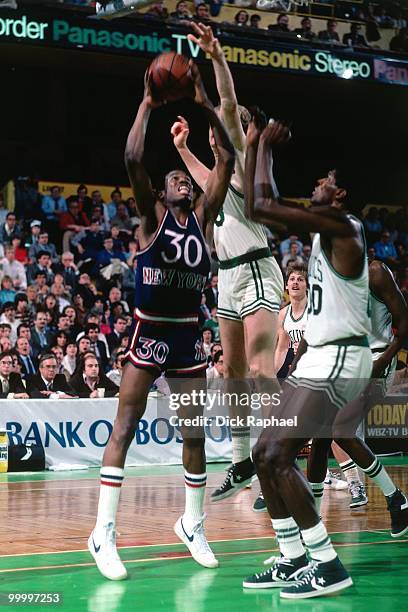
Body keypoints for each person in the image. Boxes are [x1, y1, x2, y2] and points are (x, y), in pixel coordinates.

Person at [88, 60, 235, 580]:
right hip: (150, 331)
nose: (180, 180)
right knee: (125, 426)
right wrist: (149, 105)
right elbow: (131, 156)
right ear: (158, 192)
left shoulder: (203, 221)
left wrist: (200, 97)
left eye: (184, 179)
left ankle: (193, 523)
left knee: (193, 435)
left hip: (188, 338)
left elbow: (228, 156)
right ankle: (102, 532)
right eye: (172, 178)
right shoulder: (150, 220)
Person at [243, 117, 372, 598]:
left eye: (326, 182)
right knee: (263, 453)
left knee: (278, 454)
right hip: (320, 356)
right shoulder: (323, 232)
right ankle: (293, 557)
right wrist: (261, 151)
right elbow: (268, 207)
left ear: (339, 197)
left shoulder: (341, 225)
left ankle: (327, 562)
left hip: (340, 356)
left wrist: (262, 147)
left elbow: (261, 204)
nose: (318, 184)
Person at [175, 22, 283, 501]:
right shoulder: (218, 174)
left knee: (262, 373)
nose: (226, 121)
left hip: (258, 267)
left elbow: (226, 99)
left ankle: (281, 451)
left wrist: (217, 58)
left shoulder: (241, 155)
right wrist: (180, 148)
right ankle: (242, 460)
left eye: (233, 118)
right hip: (227, 277)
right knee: (234, 375)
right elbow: (201, 178)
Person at [308, 260, 408, 533]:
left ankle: (395, 497)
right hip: (342, 363)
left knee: (340, 429)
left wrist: (384, 360)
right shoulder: (326, 277)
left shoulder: (376, 272)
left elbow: (404, 323)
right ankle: (312, 522)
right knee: (319, 438)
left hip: (377, 360)